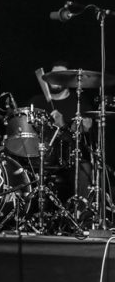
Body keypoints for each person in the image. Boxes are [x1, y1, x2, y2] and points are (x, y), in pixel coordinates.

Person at [29, 61, 93, 213]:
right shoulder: (36, 101)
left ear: (69, 80)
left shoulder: (79, 104)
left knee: (84, 169)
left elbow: (80, 138)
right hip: (38, 158)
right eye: (53, 76)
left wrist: (63, 125)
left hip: (68, 162)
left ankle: (82, 217)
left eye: (61, 76)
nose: (56, 80)